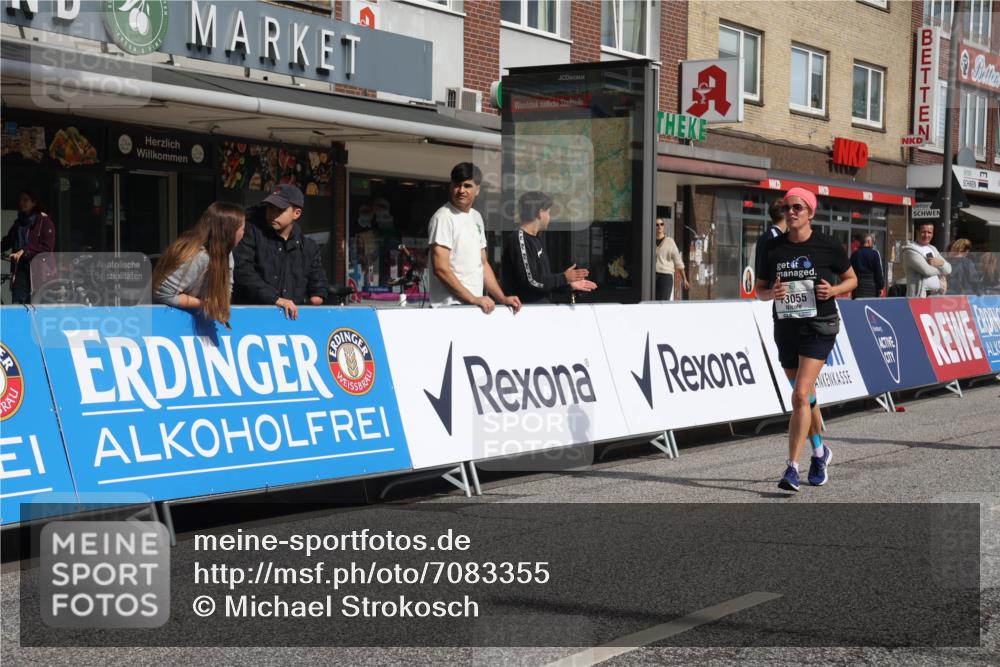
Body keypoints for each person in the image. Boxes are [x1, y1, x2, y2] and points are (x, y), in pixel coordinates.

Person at [756, 187, 857, 493]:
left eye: (798, 207)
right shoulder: (773, 248)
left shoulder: (828, 245)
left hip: (819, 325)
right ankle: (819, 451)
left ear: (811, 212)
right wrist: (771, 294)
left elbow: (851, 279)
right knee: (807, 397)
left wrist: (834, 291)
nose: (791, 212)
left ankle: (791, 468)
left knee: (800, 395)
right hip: (786, 328)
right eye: (787, 208)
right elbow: (758, 290)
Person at [428, 162, 521, 314]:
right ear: (451, 186)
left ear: (478, 189)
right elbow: (441, 268)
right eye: (457, 185)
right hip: (449, 307)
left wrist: (502, 298)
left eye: (467, 185)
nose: (461, 190)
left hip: (473, 306)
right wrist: (473, 299)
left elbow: (483, 264)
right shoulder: (443, 217)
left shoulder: (476, 217)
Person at [233, 184, 328, 320]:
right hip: (252, 318)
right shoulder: (250, 233)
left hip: (293, 321)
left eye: (280, 210)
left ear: (297, 213)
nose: (272, 213)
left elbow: (318, 279)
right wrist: (275, 299)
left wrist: (318, 294)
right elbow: (242, 271)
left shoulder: (309, 247)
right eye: (270, 207)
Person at [153, 202, 245, 327]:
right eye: (242, 228)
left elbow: (227, 286)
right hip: (162, 322)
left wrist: (221, 307)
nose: (243, 233)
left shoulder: (226, 254)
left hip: (188, 320)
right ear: (229, 231)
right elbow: (163, 294)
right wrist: (205, 305)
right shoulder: (200, 256)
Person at [501, 191, 596, 304]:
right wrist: (564, 278)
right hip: (525, 312)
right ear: (540, 213)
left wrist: (568, 284)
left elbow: (544, 281)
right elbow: (532, 281)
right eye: (549, 212)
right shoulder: (518, 239)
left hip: (542, 309)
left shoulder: (536, 238)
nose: (550, 217)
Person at [1, 190, 56, 304]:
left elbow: (47, 248)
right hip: (20, 272)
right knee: (18, 307)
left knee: (38, 311)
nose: (21, 203)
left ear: (34, 202)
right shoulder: (18, 224)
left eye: (25, 200)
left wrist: (25, 251)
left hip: (40, 274)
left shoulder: (44, 222)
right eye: (20, 200)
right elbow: (7, 242)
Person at [902, 221, 951, 297]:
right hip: (919, 297)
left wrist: (941, 263)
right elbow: (927, 271)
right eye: (923, 232)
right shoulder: (910, 250)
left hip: (936, 295)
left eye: (929, 232)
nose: (926, 235)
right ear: (917, 232)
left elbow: (949, 269)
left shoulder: (933, 248)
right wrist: (941, 269)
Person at [752, 198, 787, 286]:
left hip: (765, 290)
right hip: (772, 291)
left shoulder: (764, 236)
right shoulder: (776, 238)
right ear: (785, 215)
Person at [654, 217, 688, 300]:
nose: (659, 226)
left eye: (661, 224)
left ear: (664, 226)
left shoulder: (670, 242)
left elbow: (678, 261)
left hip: (666, 276)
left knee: (663, 302)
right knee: (651, 302)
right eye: (657, 224)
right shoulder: (650, 240)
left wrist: (684, 279)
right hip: (653, 276)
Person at [849, 234, 885, 299]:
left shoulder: (855, 254)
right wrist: (880, 286)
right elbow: (878, 272)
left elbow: (850, 271)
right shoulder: (874, 254)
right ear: (868, 242)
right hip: (872, 289)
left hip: (858, 288)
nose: (872, 244)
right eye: (872, 241)